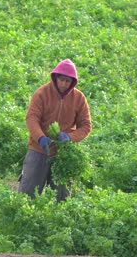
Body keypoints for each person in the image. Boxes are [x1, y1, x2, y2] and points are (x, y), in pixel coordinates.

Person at [18, 59, 92, 201]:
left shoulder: (79, 98)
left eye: (68, 81)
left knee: (62, 198)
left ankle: (55, 222)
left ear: (72, 82)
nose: (64, 84)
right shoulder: (42, 93)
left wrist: (70, 137)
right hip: (38, 149)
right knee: (27, 195)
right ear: (55, 78)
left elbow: (86, 126)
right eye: (61, 80)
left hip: (63, 154)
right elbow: (32, 118)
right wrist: (40, 138)